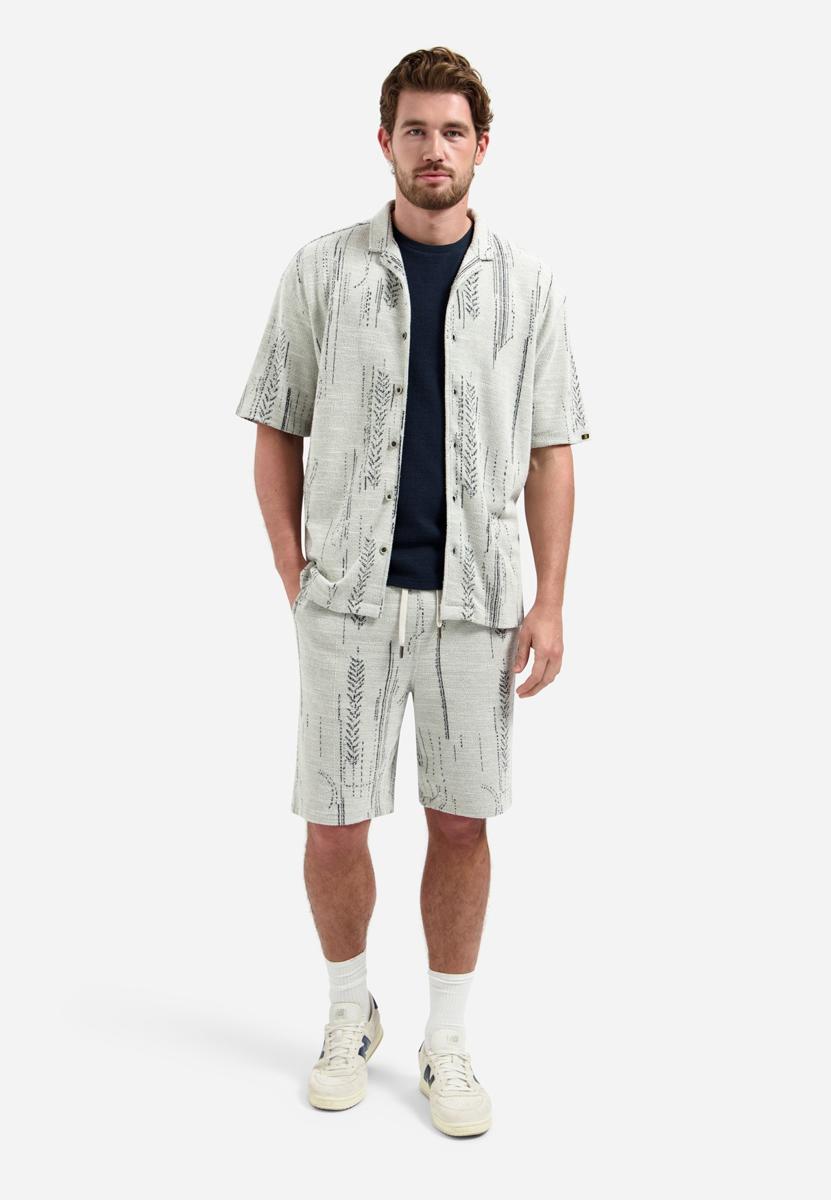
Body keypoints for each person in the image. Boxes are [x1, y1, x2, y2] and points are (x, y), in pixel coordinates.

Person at [235, 46, 590, 1137]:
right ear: (384, 141)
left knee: (463, 825)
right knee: (334, 826)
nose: (434, 150)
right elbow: (276, 423)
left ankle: (447, 1038)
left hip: (476, 609)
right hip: (345, 602)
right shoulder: (322, 271)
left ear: (482, 146)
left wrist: (550, 601)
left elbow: (552, 452)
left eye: (452, 132)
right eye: (415, 131)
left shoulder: (528, 288)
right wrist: (292, 567)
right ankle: (350, 1013)